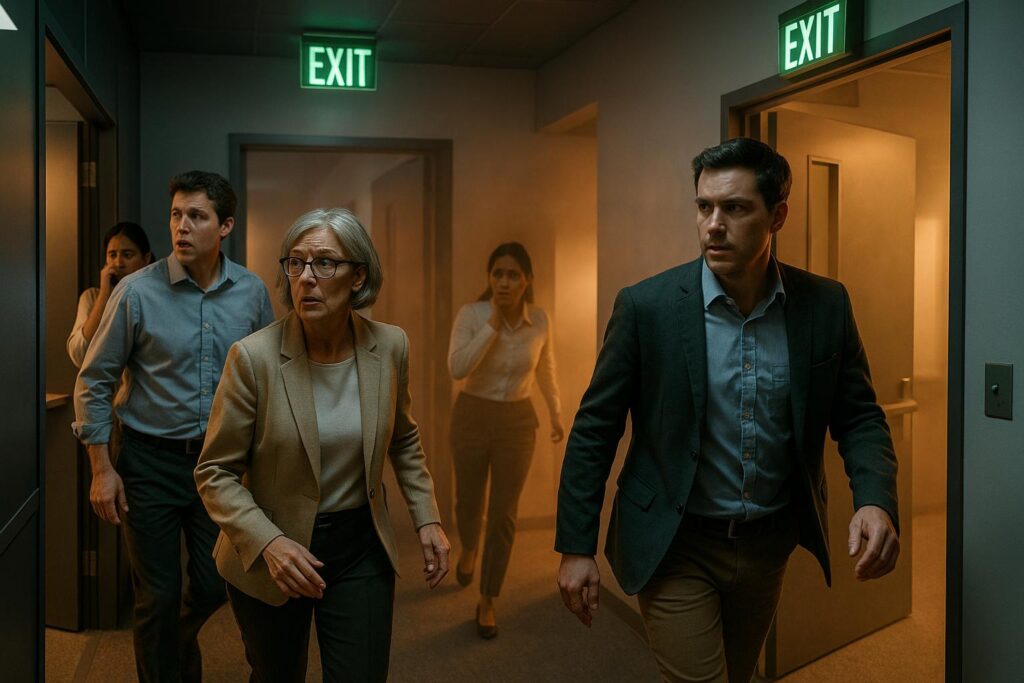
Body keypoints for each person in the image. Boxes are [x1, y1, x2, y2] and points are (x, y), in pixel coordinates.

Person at [555, 138, 900, 683]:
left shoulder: (824, 305)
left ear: (777, 216)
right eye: (704, 207)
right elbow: (595, 428)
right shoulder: (646, 307)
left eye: (735, 208)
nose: (713, 225)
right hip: (674, 542)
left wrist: (875, 500)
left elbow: (858, 416)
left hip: (767, 544)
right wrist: (576, 546)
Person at [194, 207, 450, 682]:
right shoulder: (252, 358)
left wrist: (427, 516)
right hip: (273, 544)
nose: (307, 277)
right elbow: (214, 473)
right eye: (296, 263)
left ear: (359, 276)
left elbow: (403, 438)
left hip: (360, 544)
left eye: (325, 263)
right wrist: (269, 542)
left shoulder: (390, 347)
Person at [73, 171, 275, 682]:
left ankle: (179, 640)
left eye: (197, 216)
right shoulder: (136, 292)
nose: (181, 226)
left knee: (214, 583)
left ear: (225, 226)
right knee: (157, 596)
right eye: (176, 215)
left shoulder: (251, 293)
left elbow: (268, 382)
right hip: (148, 464)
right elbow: (93, 380)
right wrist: (102, 469)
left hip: (218, 466)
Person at [448, 241, 563, 639]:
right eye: (497, 274)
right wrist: (493, 325)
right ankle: (469, 546)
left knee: (503, 513)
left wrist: (555, 412)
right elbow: (457, 368)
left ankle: (488, 597)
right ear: (490, 278)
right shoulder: (472, 314)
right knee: (468, 501)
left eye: (513, 275)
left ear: (527, 280)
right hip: (472, 414)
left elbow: (546, 368)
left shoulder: (540, 319)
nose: (504, 281)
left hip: (517, 420)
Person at [67, 221, 154, 368]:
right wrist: (104, 295)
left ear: (146, 259)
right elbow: (80, 355)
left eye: (127, 255)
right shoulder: (91, 297)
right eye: (112, 255)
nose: (118, 263)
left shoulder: (154, 298)